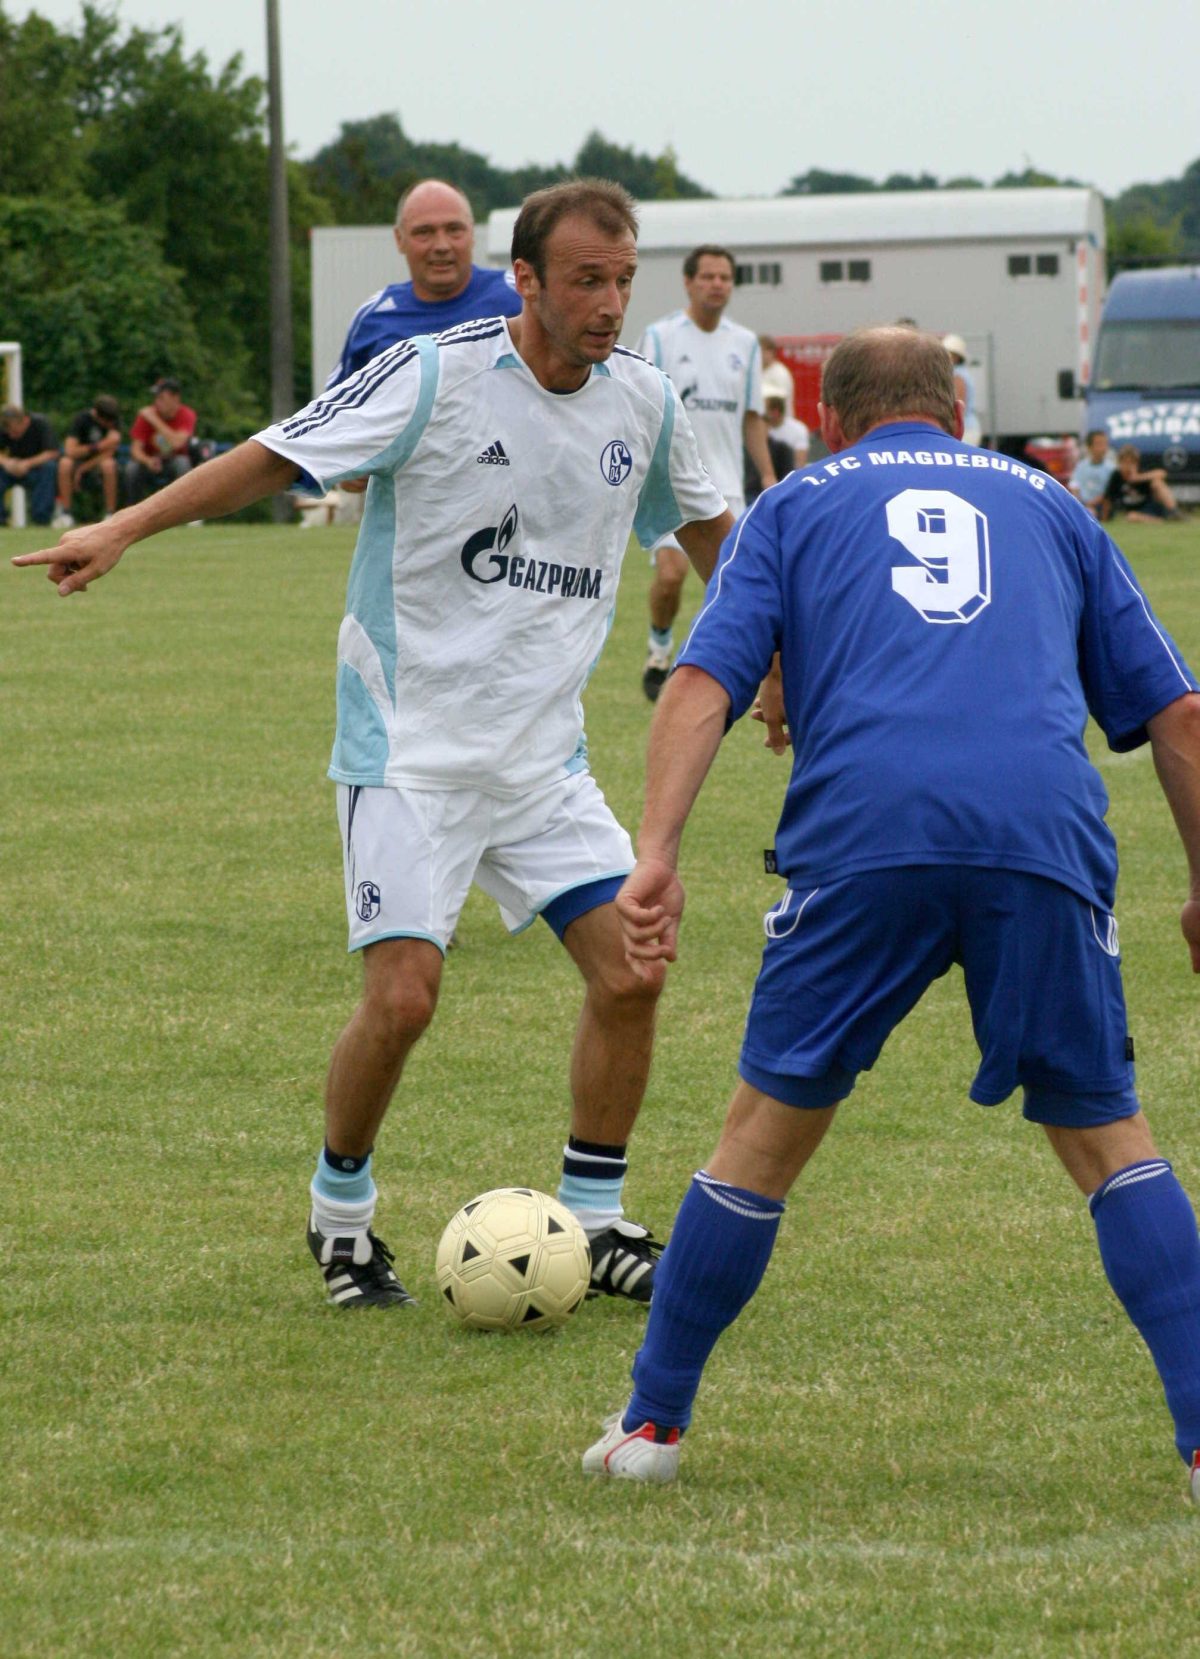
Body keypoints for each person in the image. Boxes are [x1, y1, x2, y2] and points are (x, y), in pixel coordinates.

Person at [14, 178, 733, 1313]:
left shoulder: (642, 403)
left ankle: (593, 1217)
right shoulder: (438, 373)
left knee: (633, 972)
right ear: (529, 280)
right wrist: (123, 525)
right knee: (403, 999)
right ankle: (339, 1214)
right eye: (585, 280)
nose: (607, 303)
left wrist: (784, 657)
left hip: (543, 765)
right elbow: (272, 454)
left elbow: (717, 538)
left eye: (621, 279)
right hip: (409, 751)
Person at [582, 325, 1200, 1498]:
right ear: (956, 411)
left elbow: (705, 679)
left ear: (832, 420)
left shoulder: (797, 500)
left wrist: (655, 850)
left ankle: (652, 1428)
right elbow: (1180, 716)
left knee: (759, 1142)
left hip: (865, 831)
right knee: (1109, 1137)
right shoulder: (1056, 501)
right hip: (1040, 833)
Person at [638, 245, 776, 701]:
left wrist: (769, 478)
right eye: (708, 276)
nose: (717, 284)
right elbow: (638, 410)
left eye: (725, 277)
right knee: (673, 575)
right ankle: (659, 647)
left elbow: (752, 417)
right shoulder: (659, 338)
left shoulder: (746, 344)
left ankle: (714, 673)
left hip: (728, 488)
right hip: (669, 483)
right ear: (689, 282)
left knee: (729, 589)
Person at [325, 178, 523, 388]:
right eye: (424, 232)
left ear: (472, 233)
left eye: (454, 229)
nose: (441, 245)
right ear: (399, 239)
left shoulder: (521, 298)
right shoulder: (373, 319)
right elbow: (335, 413)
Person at [125, 378, 198, 505]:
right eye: (156, 398)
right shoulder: (146, 416)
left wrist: (154, 420)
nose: (157, 402)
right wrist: (147, 461)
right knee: (132, 468)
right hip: (150, 461)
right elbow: (135, 449)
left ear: (175, 398)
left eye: (161, 398)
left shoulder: (186, 415)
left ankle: (188, 508)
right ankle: (133, 509)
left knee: (182, 463)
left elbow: (177, 443)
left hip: (173, 461)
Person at [54, 395, 122, 526]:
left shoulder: (114, 420)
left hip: (98, 463)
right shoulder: (81, 419)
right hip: (78, 461)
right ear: (97, 415)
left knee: (109, 465)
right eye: (106, 421)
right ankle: (66, 513)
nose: (110, 424)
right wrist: (99, 446)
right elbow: (70, 450)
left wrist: (83, 468)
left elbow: (109, 453)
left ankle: (110, 513)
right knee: (64, 463)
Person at [0, 406, 60, 527]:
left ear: (25, 421)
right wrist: (7, 463)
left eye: (15, 432)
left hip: (36, 468)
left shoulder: (40, 424)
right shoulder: (3, 426)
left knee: (49, 467)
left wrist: (26, 464)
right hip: (10, 468)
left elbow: (52, 452)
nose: (11, 436)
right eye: (8, 433)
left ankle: (41, 519)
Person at [1104, 444, 1186, 523]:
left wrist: (1138, 478)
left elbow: (1162, 473)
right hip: (1135, 512)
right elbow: (1108, 498)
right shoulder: (1116, 476)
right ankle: (1162, 521)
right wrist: (1105, 517)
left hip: (1151, 507)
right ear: (1119, 463)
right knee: (1131, 517)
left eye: (1131, 463)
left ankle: (1174, 512)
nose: (1128, 466)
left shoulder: (1142, 472)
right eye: (1125, 462)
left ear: (1137, 463)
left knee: (1157, 483)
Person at [943, 333, 981, 446]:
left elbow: (958, 402)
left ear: (957, 357)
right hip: (968, 427)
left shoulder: (957, 375)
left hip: (966, 429)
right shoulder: (961, 372)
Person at [1069, 429, 1116, 519]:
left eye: (1105, 444)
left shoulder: (1111, 468)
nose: (1103, 447)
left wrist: (1091, 503)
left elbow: (1109, 493)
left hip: (1100, 506)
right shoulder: (1081, 466)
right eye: (1099, 444)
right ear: (1089, 447)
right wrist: (1078, 501)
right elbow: (1074, 485)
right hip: (1082, 503)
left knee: (1090, 512)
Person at [758, 335, 796, 414]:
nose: (762, 354)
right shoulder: (757, 372)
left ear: (772, 353)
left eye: (765, 351)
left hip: (780, 422)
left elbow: (778, 403)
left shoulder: (780, 373)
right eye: (760, 351)